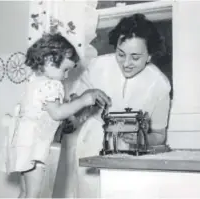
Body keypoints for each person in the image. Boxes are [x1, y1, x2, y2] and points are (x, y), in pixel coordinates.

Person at [48, 13, 172, 198]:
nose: (126, 63)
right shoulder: (98, 66)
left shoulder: (160, 85)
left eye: (135, 57)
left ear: (149, 56)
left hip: (131, 155)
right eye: (120, 54)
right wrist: (80, 104)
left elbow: (160, 136)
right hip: (91, 144)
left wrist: (141, 140)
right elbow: (73, 110)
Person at [0, 33, 111, 198]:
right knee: (34, 194)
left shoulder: (34, 81)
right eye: (65, 70)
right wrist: (83, 101)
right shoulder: (52, 84)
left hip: (23, 144)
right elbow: (57, 113)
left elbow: (48, 114)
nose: (65, 76)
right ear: (50, 61)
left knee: (25, 192)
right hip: (35, 147)